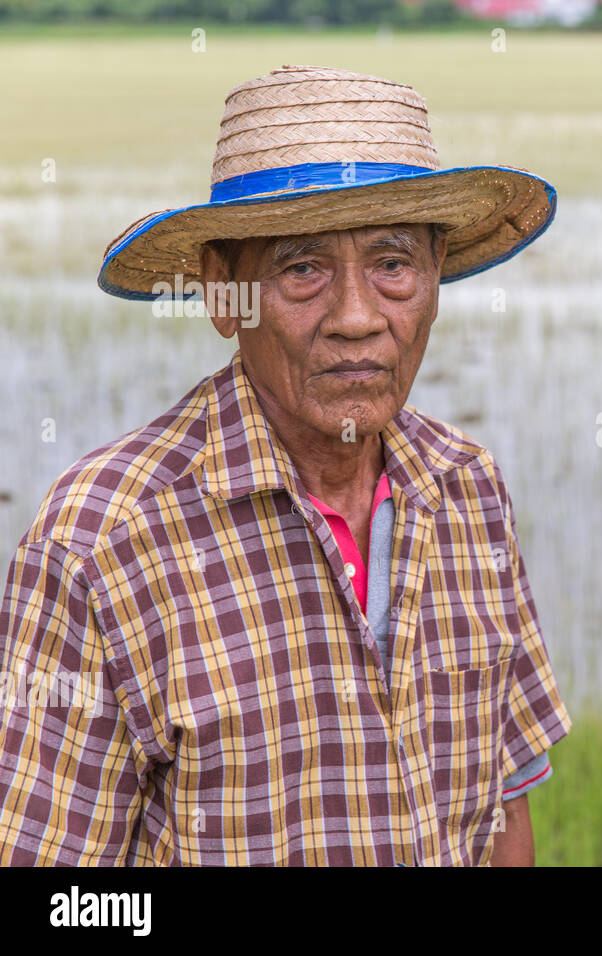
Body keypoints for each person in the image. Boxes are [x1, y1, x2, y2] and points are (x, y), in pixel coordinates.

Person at [0, 65, 571, 866]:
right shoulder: (100, 545)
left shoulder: (467, 489)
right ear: (222, 292)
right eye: (301, 268)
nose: (357, 318)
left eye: (393, 263)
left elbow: (504, 814)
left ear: (436, 276)